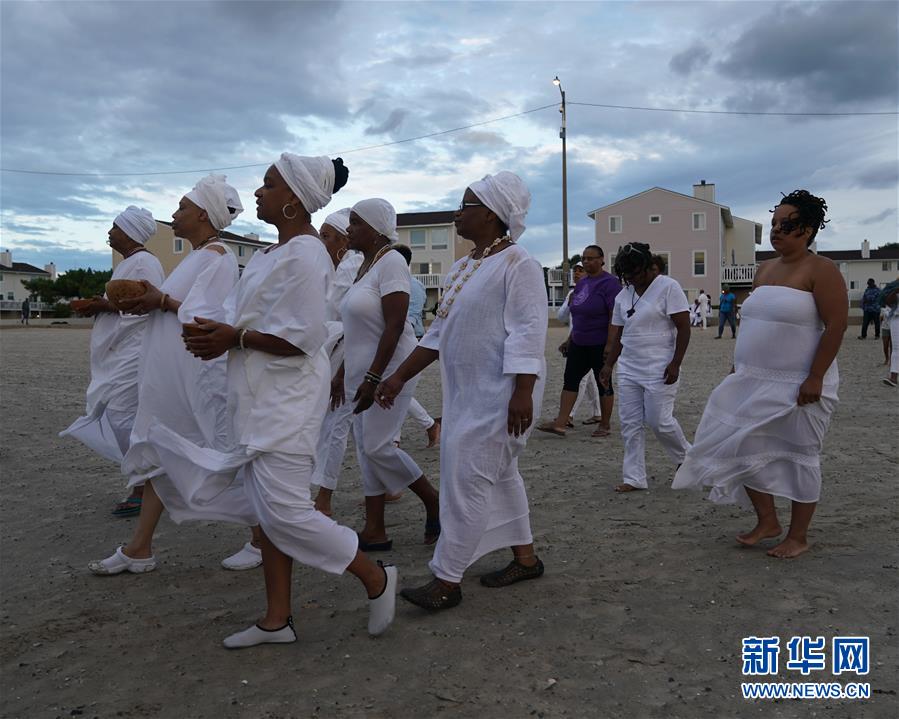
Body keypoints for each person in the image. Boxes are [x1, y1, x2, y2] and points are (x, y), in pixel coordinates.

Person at [144, 154, 397, 647]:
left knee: (285, 513)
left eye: (269, 185)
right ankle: (277, 619)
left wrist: (232, 339)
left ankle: (376, 577)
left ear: (295, 201)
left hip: (288, 399)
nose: (258, 193)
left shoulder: (307, 255)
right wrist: (214, 333)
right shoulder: (265, 255)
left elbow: (301, 338)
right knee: (266, 513)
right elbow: (245, 320)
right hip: (254, 394)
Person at [376, 171, 547, 610]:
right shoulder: (464, 266)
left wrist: (522, 393)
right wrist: (397, 377)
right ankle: (525, 558)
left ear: (490, 213)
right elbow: (437, 335)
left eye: (464, 205)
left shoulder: (518, 263)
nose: (457, 213)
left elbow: (529, 332)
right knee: (500, 475)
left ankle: (447, 579)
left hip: (501, 394)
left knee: (466, 480)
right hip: (466, 395)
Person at [673, 189, 847, 559]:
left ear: (809, 230)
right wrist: (738, 364)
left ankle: (798, 536)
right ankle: (767, 520)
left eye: (787, 225)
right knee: (741, 444)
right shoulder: (765, 269)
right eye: (773, 224)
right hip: (753, 378)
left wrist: (815, 376)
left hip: (801, 382)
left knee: (801, 453)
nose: (777, 231)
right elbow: (752, 321)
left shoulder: (822, 270)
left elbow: (836, 326)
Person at [87, 175, 242, 575]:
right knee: (160, 451)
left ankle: (265, 537)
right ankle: (139, 548)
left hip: (194, 375)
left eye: (181, 209)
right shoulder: (195, 256)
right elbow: (175, 305)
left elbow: (213, 315)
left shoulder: (218, 256)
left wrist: (162, 300)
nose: (173, 216)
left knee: (218, 454)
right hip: (169, 373)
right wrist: (150, 303)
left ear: (203, 215)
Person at [338, 199, 440, 551]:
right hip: (360, 372)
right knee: (367, 451)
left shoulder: (393, 261)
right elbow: (355, 328)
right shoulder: (364, 265)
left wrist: (374, 378)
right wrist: (341, 374)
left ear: (376, 228)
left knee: (379, 448)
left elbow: (395, 324)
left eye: (355, 222)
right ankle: (375, 529)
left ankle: (434, 501)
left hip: (389, 370)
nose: (348, 228)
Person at [60, 206, 165, 516]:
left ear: (130, 232)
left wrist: (103, 305)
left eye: (115, 227)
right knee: (117, 411)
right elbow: (122, 301)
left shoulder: (146, 262)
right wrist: (101, 305)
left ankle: (144, 486)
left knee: (123, 415)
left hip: (135, 348)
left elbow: (141, 306)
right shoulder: (130, 263)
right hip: (120, 349)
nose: (110, 232)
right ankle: (144, 481)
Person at [598, 242, 691, 493]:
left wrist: (676, 363)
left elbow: (683, 326)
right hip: (629, 366)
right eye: (626, 276)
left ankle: (689, 459)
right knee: (629, 423)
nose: (632, 279)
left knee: (659, 421)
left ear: (650, 267)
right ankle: (634, 477)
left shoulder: (668, 287)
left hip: (660, 365)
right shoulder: (623, 295)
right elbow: (618, 335)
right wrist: (608, 366)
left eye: (636, 274)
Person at [311, 208, 364, 519]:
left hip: (348, 356)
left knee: (334, 427)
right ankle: (390, 485)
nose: (321, 241)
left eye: (326, 236)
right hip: (337, 354)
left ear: (344, 241)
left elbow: (349, 324)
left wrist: (340, 373)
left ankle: (323, 500)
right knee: (363, 431)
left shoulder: (351, 267)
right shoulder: (336, 268)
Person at [537, 245, 619, 438]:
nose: (587, 262)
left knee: (603, 383)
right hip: (579, 342)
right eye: (584, 259)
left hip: (600, 343)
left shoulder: (610, 283)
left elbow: (614, 316)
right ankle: (561, 422)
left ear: (602, 259)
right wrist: (569, 339)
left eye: (591, 258)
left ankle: (605, 425)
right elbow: (578, 316)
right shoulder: (582, 283)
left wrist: (609, 344)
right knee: (570, 381)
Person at [391, 243, 441, 449]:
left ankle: (424, 426)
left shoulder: (398, 283)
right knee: (396, 386)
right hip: (417, 338)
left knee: (392, 385)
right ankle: (396, 437)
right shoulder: (418, 285)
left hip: (401, 338)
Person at [557, 264, 603, 426]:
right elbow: (561, 317)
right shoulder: (572, 293)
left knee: (580, 379)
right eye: (575, 270)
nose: (577, 273)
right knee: (589, 380)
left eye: (581, 270)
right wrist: (569, 303)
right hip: (575, 341)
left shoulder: (596, 291)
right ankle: (598, 413)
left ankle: (568, 415)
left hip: (592, 342)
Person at [881, 279, 899, 386]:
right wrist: (895, 291)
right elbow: (888, 302)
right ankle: (893, 377)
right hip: (896, 318)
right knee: (896, 348)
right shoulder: (895, 286)